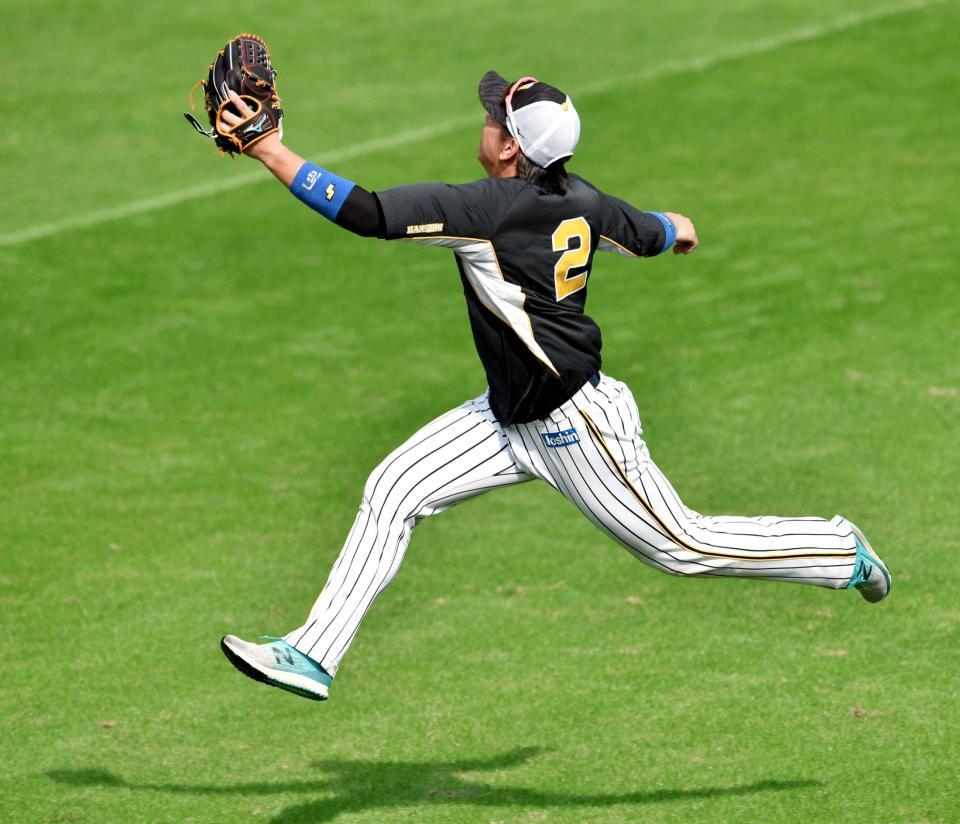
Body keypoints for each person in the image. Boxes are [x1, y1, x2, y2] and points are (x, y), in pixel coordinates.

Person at [218, 72, 891, 702]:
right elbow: (645, 231)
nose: (483, 123)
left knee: (683, 546)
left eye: (492, 118)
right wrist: (675, 229)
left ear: (509, 147)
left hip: (577, 425)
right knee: (393, 490)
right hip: (506, 417)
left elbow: (363, 211)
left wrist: (269, 149)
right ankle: (313, 653)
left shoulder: (488, 209)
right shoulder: (581, 198)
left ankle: (836, 550)